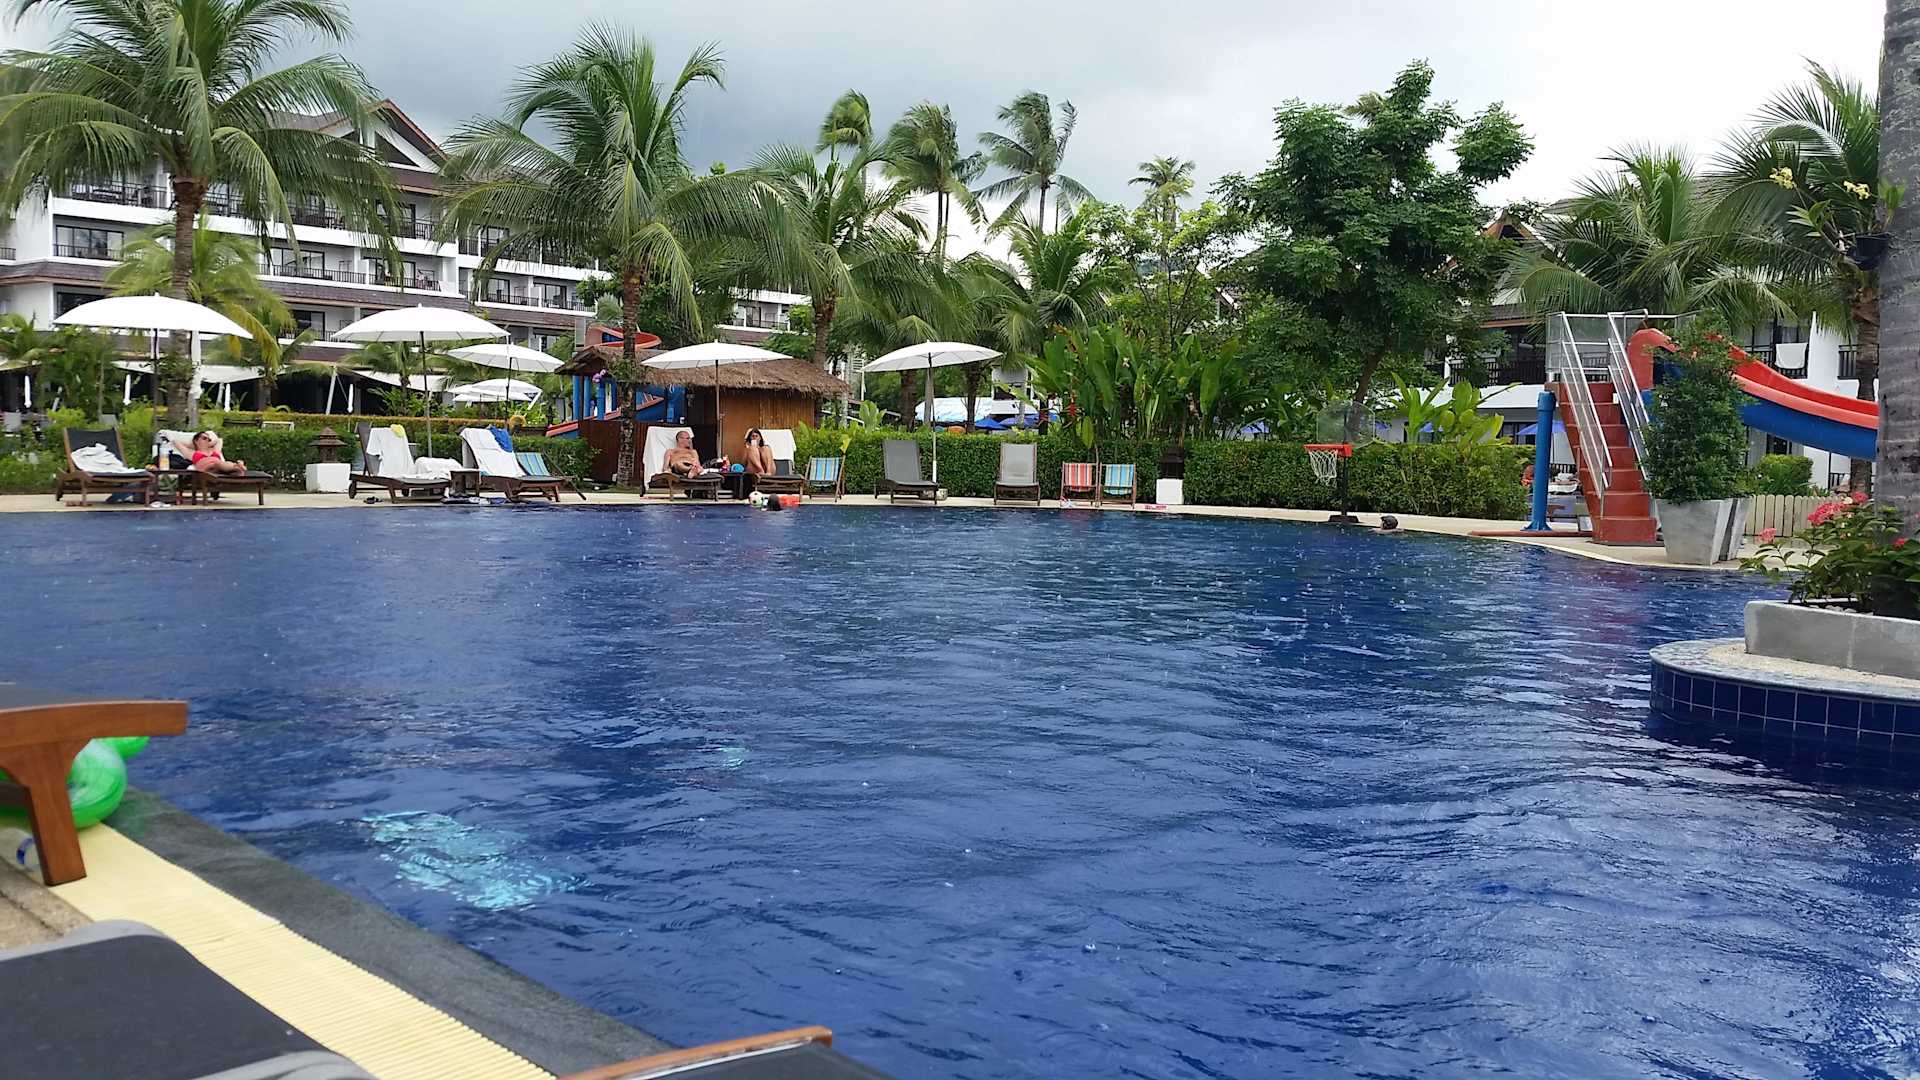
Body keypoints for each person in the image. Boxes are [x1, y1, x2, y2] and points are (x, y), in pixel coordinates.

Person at [175, 431, 251, 477]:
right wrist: (193, 445)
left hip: (219, 468)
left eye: (209, 439)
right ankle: (237, 466)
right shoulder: (192, 453)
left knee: (220, 465)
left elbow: (219, 440)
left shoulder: (215, 450)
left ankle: (236, 468)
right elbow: (176, 442)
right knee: (217, 464)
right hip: (205, 470)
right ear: (196, 440)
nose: (207, 440)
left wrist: (209, 443)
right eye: (204, 438)